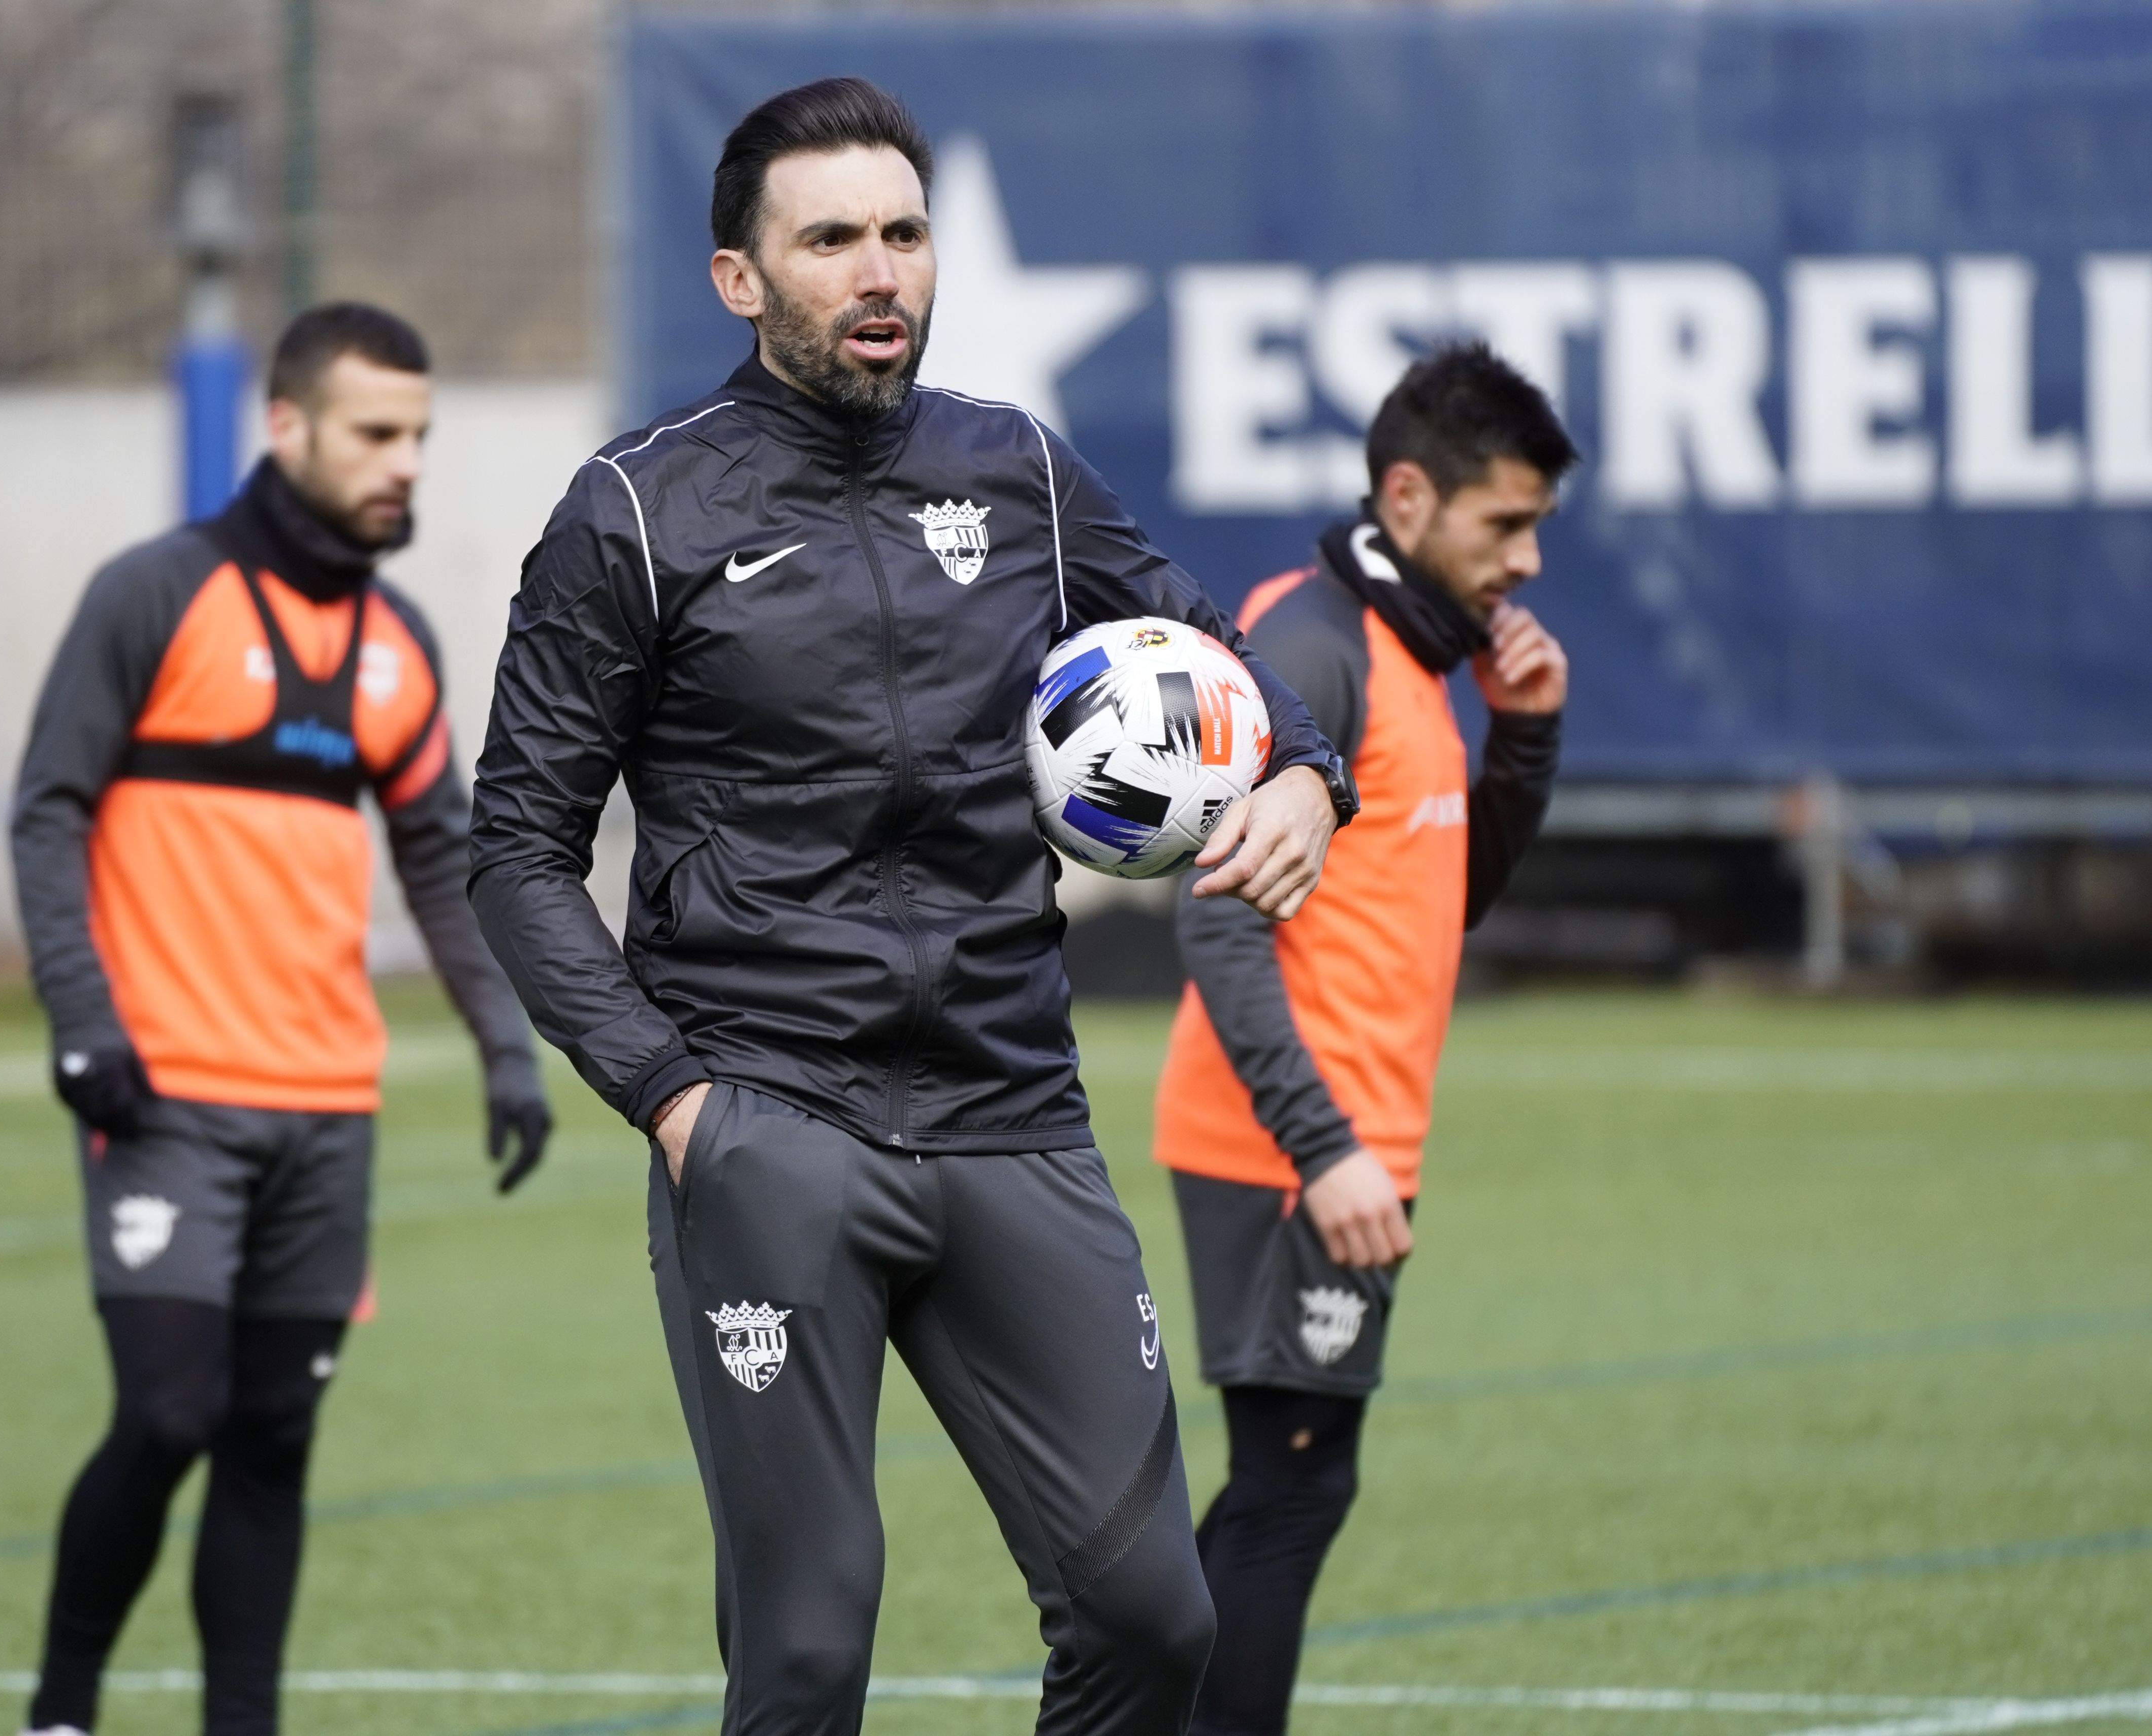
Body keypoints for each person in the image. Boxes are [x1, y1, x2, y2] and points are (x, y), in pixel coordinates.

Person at [468, 77, 1358, 1736]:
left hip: (1014, 1112)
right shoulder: (636, 511)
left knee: (1156, 1616)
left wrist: (1303, 766)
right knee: (807, 1652)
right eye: (831, 242)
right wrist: (678, 1104)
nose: (882, 272)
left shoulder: (1014, 470)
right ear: (741, 277)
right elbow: (514, 846)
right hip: (771, 1127)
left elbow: (1193, 626)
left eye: (904, 233)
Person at [8, 301, 550, 1736]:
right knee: (171, 1412)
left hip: (328, 1108)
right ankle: (61, 1708)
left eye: (420, 438)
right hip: (164, 1096)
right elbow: (48, 808)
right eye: (376, 434)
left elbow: (440, 855)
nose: (403, 465)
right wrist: (81, 1018)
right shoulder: (152, 596)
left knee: (274, 1435)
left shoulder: (398, 642)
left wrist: (507, 1042)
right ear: (287, 425)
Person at [1153, 342, 1575, 1734]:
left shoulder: (1414, 650)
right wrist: (1325, 1150)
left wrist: (1521, 741)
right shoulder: (1313, 647)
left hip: (1339, 1148)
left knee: (1293, 1486)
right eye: (1501, 523)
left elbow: (1437, 901)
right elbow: (1218, 927)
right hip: (1286, 1152)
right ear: (1407, 498)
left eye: (1534, 528)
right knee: (1289, 1490)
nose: (1522, 559)